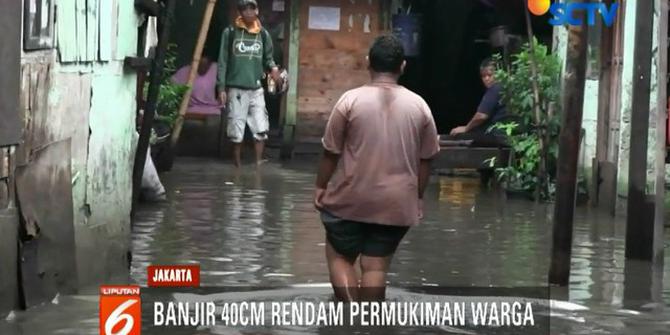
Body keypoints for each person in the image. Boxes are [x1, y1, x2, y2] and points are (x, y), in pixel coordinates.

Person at [314, 35, 440, 302]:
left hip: (351, 199)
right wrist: (416, 196)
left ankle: (351, 316)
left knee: (339, 256)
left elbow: (330, 152)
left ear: (368, 62)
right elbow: (426, 160)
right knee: (375, 266)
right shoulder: (420, 107)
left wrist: (320, 186)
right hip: (396, 204)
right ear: (402, 66)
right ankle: (370, 322)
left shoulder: (349, 101)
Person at [217, 0, 281, 168]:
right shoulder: (230, 32)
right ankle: (237, 168)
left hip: (256, 88)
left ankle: (259, 166)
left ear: (257, 10)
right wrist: (221, 87)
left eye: (252, 8)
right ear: (240, 12)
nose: (248, 12)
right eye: (245, 9)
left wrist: (274, 68)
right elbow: (222, 61)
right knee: (236, 131)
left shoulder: (263, 34)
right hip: (236, 88)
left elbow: (268, 58)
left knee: (260, 128)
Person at [449, 58, 508, 145]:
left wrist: (466, 128)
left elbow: (481, 116)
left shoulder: (495, 89)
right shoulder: (507, 87)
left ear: (498, 74)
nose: (486, 79)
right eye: (483, 76)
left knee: (468, 135)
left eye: (490, 75)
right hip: (507, 134)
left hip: (497, 134)